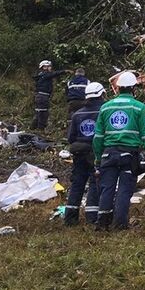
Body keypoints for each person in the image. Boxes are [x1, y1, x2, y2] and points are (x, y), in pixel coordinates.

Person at [92, 71, 145, 230]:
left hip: (109, 154)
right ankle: (120, 224)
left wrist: (98, 158)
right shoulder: (139, 108)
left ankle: (103, 222)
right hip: (129, 155)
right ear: (134, 88)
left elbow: (98, 137)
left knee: (107, 188)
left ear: (118, 88)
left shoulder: (105, 108)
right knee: (124, 190)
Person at [64, 81, 105, 226]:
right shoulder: (104, 112)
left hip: (79, 153)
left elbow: (70, 138)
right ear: (102, 95)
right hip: (95, 153)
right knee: (95, 183)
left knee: (77, 184)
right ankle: (91, 217)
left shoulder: (77, 114)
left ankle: (70, 218)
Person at [32, 60, 68, 130]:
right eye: (49, 66)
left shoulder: (41, 75)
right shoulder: (45, 74)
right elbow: (54, 74)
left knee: (38, 113)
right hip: (42, 97)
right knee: (43, 114)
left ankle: (32, 129)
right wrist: (64, 71)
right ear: (44, 67)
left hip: (40, 96)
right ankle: (40, 130)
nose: (50, 68)